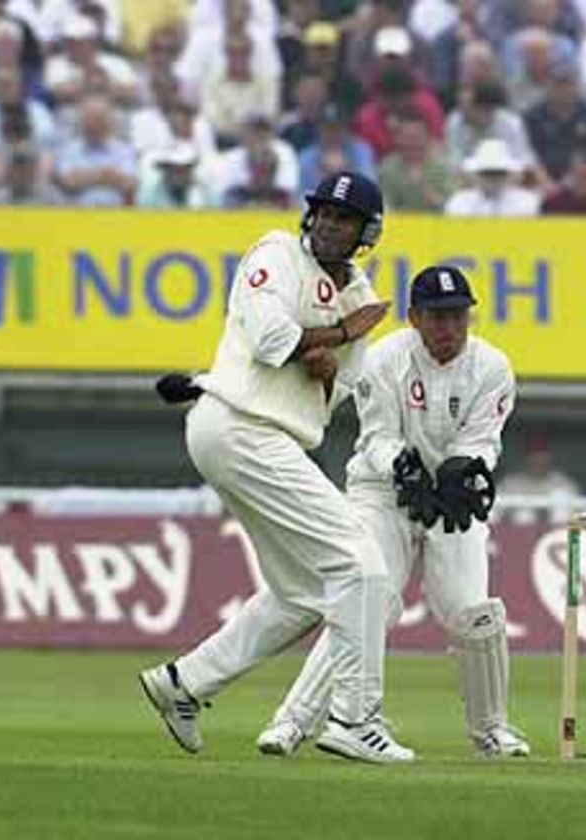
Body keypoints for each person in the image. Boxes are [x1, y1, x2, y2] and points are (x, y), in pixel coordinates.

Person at [138, 171, 414, 765]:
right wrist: (336, 334)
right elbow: (270, 339)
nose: (330, 226)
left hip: (273, 435)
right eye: (324, 214)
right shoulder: (276, 252)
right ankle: (354, 718)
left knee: (303, 595)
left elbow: (336, 395)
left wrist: (328, 367)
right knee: (362, 565)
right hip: (239, 425)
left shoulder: (360, 294)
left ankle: (183, 684)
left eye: (345, 220)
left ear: (368, 232)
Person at [255, 264, 530, 760]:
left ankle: (492, 730)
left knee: (475, 614)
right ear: (414, 318)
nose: (449, 328)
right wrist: (403, 467)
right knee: (367, 602)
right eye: (437, 317)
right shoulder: (384, 359)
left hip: (449, 500)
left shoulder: (493, 366)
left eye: (458, 316)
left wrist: (465, 470)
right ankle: (292, 723)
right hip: (381, 493)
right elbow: (378, 436)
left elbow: (483, 441)